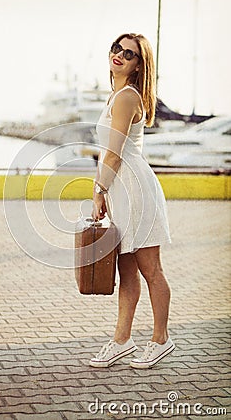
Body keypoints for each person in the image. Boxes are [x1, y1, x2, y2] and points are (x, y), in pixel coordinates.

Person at [90, 33, 174, 369]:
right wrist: (107, 191)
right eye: (116, 48)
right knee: (127, 270)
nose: (120, 55)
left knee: (150, 269)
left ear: (139, 64)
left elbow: (112, 155)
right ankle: (123, 340)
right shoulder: (116, 96)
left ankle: (161, 339)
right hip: (121, 190)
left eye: (129, 53)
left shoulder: (126, 97)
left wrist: (98, 191)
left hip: (135, 189)